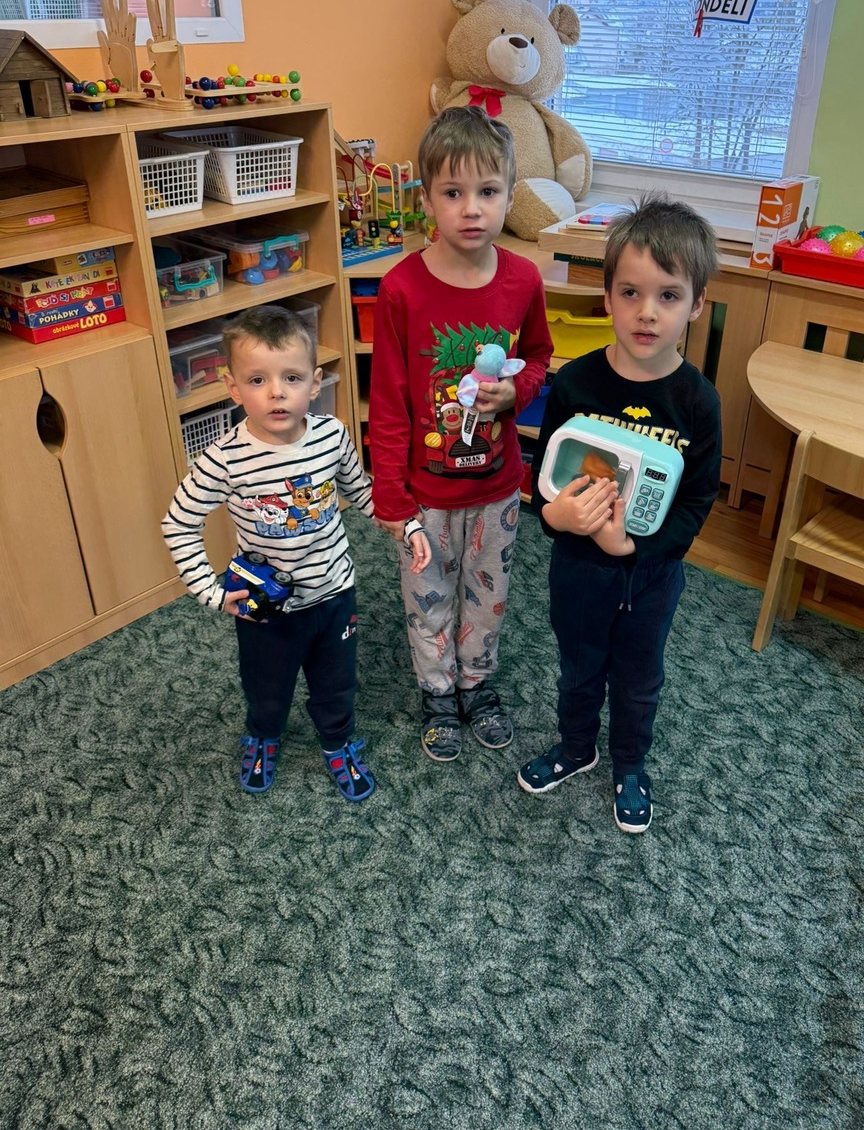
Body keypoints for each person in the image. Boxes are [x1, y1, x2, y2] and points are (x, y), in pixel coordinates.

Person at [517, 194, 722, 834]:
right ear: (606, 298)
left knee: (637, 678)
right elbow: (543, 481)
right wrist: (557, 519)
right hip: (577, 569)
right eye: (630, 292)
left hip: (648, 577)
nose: (646, 312)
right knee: (579, 669)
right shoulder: (576, 383)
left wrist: (633, 549)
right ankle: (577, 747)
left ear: (697, 305)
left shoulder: (698, 401)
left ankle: (630, 765)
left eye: (668, 295)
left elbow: (698, 501)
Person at [369, 106, 553, 762]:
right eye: (452, 192)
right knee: (428, 597)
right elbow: (387, 402)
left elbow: (539, 358)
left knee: (488, 595)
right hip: (425, 497)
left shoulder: (523, 280)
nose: (471, 209)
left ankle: (477, 683)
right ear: (426, 201)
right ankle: (438, 692)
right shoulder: (401, 289)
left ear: (509, 194)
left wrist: (517, 392)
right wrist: (390, 498)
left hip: (497, 488)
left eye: (488, 191)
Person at [162, 305, 377, 801]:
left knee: (337, 683)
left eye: (292, 377)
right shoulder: (223, 459)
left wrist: (405, 524)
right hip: (266, 608)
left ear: (315, 383)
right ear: (233, 387)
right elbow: (178, 522)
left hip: (334, 592)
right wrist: (212, 592)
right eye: (258, 379)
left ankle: (338, 741)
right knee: (266, 687)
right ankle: (263, 736)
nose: (277, 392)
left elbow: (360, 491)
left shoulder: (332, 435)